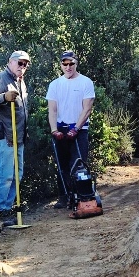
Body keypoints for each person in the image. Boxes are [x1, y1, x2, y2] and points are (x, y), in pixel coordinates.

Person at [0, 49, 30, 230]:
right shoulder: (1, 79)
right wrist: (3, 97)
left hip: (18, 137)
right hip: (3, 136)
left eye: (25, 64)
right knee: (5, 175)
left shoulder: (20, 82)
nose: (22, 67)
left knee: (17, 175)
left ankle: (6, 213)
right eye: (20, 63)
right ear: (10, 62)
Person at [46, 50, 95, 208]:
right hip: (61, 129)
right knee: (61, 165)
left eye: (71, 63)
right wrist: (54, 130)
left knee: (79, 164)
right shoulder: (55, 84)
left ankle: (82, 196)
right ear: (61, 65)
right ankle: (63, 197)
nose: (68, 67)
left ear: (76, 63)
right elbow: (52, 110)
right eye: (65, 64)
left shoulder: (86, 82)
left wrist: (76, 128)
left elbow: (87, 109)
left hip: (79, 129)